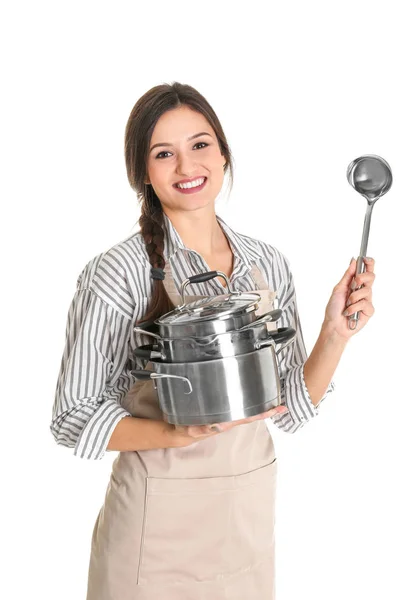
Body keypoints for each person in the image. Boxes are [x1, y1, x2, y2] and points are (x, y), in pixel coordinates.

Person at [50, 82, 376, 600]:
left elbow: (289, 411)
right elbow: (72, 417)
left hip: (245, 524)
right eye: (164, 154)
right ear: (143, 173)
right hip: (153, 533)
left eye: (200, 145)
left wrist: (335, 335)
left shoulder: (265, 261)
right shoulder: (119, 271)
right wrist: (179, 434)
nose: (186, 166)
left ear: (223, 153)